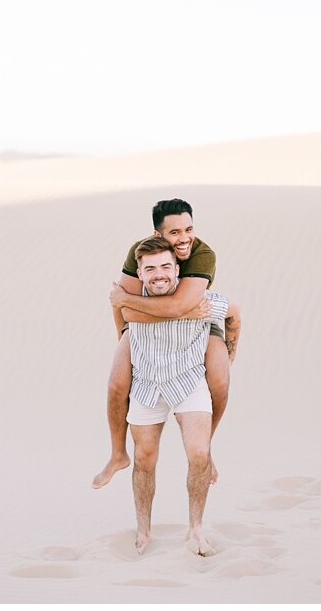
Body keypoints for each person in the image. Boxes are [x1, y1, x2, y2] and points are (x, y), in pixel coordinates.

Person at [92, 199, 238, 489]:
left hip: (199, 320)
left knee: (220, 381)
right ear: (158, 235)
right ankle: (118, 454)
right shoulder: (142, 252)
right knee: (116, 384)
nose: (183, 238)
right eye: (175, 233)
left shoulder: (202, 254)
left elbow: (179, 306)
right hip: (145, 324)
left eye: (188, 229)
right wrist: (125, 337)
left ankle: (205, 449)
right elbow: (123, 310)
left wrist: (232, 347)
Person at [122, 236, 242, 556]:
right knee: (144, 460)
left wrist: (229, 353)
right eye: (150, 268)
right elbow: (119, 316)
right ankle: (144, 532)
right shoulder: (130, 298)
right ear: (140, 272)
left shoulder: (201, 299)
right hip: (146, 386)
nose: (159, 273)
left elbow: (234, 312)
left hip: (189, 384)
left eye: (165, 266)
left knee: (199, 455)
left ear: (177, 269)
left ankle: (196, 531)